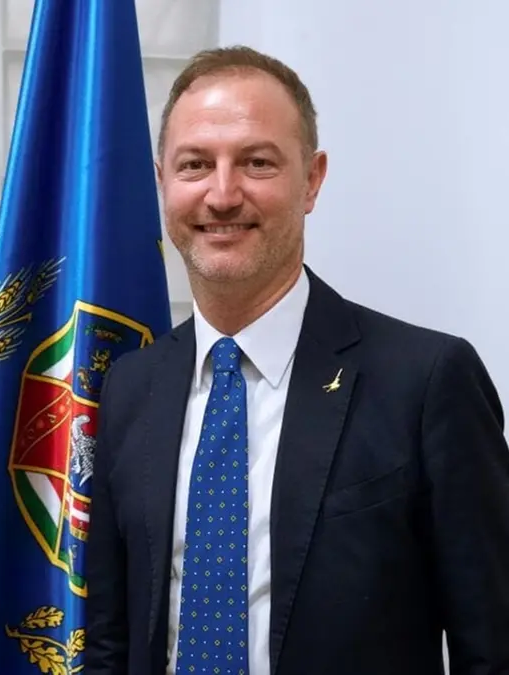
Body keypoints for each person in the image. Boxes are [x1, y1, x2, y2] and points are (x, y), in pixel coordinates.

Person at [82, 45, 509, 675]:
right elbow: (108, 643)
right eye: (195, 164)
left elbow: (493, 648)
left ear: (312, 180)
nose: (222, 195)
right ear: (162, 182)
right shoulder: (130, 387)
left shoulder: (425, 381)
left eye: (257, 162)